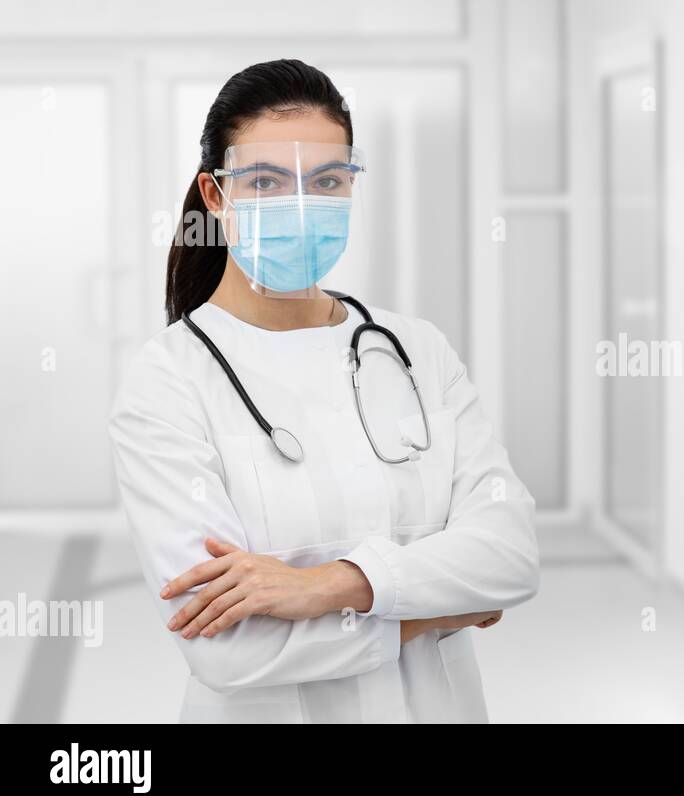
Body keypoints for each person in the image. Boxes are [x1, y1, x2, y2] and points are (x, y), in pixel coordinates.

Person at [108, 59, 539, 723]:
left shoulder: (415, 349)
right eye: (267, 182)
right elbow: (228, 649)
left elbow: (511, 553)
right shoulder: (167, 382)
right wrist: (442, 601)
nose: (301, 206)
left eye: (327, 180)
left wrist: (331, 585)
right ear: (215, 195)